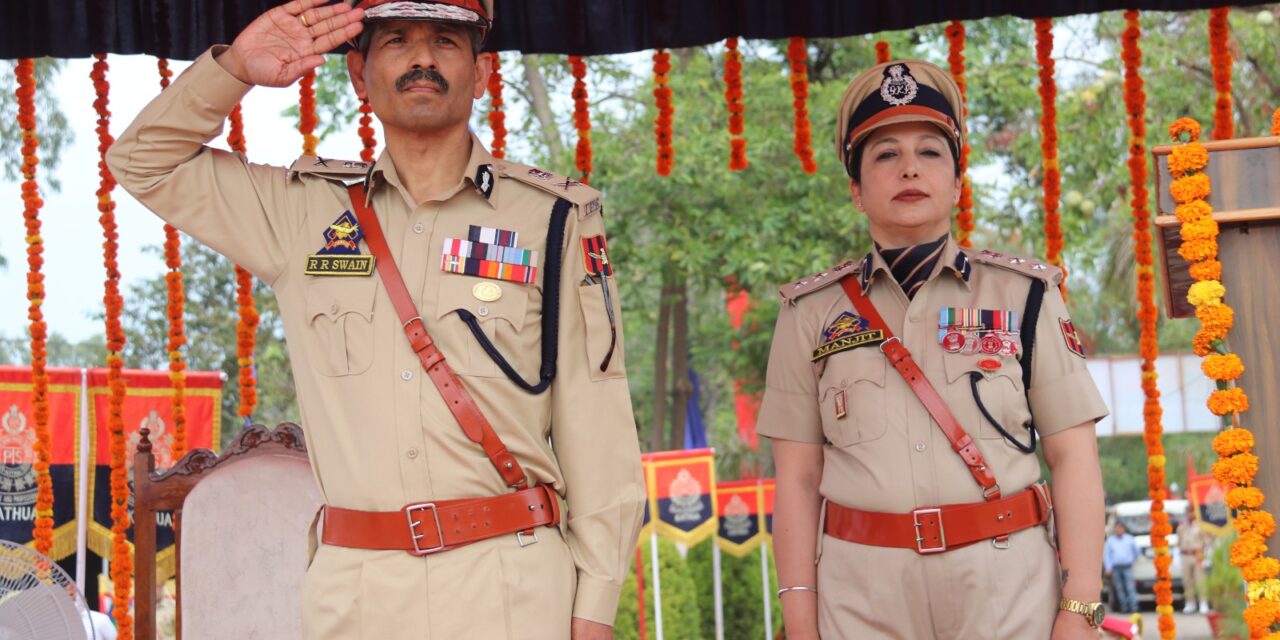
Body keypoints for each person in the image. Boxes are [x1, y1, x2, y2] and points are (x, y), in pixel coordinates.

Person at [106, 1, 646, 638]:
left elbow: (597, 427)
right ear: (359, 75)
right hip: (355, 593)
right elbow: (142, 161)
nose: (422, 58)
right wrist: (236, 70)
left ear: (483, 73)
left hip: (512, 584)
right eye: (397, 40)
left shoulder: (550, 219)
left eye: (446, 40)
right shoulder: (301, 215)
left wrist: (595, 611)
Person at [759, 59, 1110, 639]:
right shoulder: (810, 315)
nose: (909, 169)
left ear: (956, 182)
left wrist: (1079, 611)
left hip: (1009, 591)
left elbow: (1074, 457)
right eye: (885, 155)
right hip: (861, 601)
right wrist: (800, 622)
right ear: (856, 190)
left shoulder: (1025, 296)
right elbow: (797, 481)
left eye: (929, 152)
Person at [1104, 522, 1141, 614]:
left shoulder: (1129, 539)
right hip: (1116, 568)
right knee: (1119, 588)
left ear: (1124, 529)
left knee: (1130, 587)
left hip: (1127, 566)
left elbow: (1137, 551)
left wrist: (1132, 559)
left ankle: (1133, 607)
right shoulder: (1111, 540)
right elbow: (1107, 555)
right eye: (1117, 528)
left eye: (1120, 528)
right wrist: (1108, 567)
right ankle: (1123, 607)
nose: (1118, 530)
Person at [1178, 513, 1210, 613]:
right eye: (1187, 512)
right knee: (1187, 581)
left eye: (1190, 511)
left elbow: (1207, 542)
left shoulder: (1200, 526)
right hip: (1185, 555)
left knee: (1200, 580)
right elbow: (1179, 542)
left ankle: (1203, 602)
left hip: (1197, 555)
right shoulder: (1182, 527)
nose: (1189, 515)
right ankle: (1190, 603)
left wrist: (1206, 557)